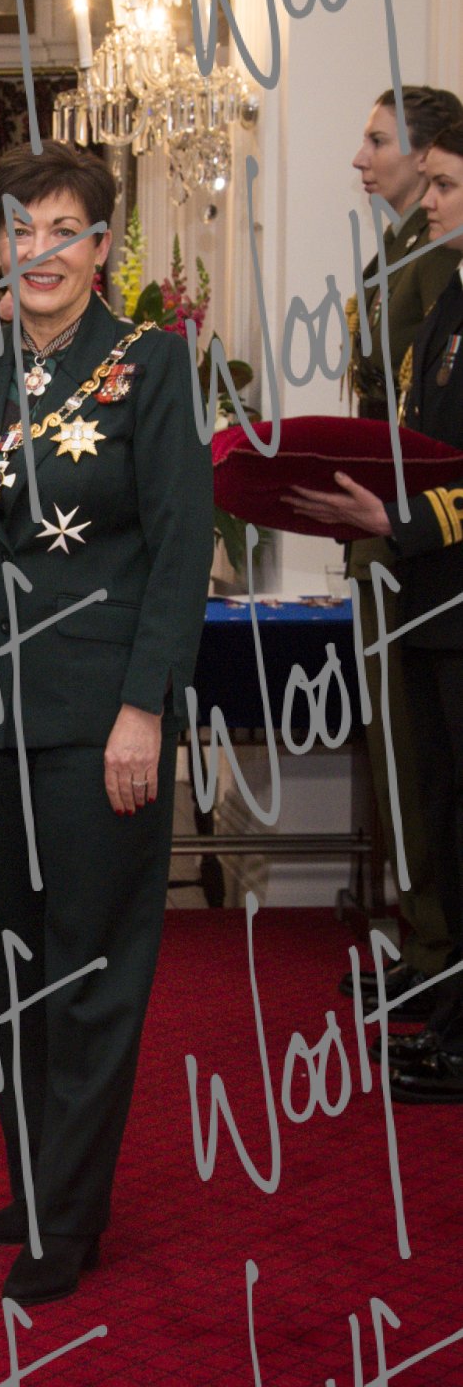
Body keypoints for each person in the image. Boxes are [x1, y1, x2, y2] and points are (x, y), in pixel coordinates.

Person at [0, 140, 213, 1303]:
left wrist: (143, 710)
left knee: (90, 968)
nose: (39, 251)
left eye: (63, 230)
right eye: (18, 230)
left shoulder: (150, 363)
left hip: (97, 720)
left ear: (101, 246)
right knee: (8, 965)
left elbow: (180, 547)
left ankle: (67, 1219)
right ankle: (39, 1183)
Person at [289, 120, 463, 1102]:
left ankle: (443, 981)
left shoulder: (437, 276)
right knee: (424, 784)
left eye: (442, 182)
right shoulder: (437, 282)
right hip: (415, 559)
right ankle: (440, 981)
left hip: (434, 557)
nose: (426, 200)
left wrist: (399, 519)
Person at [342, 86, 463, 1021]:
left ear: (426, 159)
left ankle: (436, 950)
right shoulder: (400, 250)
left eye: (378, 141)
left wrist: (397, 515)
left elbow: (423, 417)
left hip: (422, 534)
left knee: (423, 764)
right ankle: (426, 943)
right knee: (400, 756)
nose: (361, 157)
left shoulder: (435, 261)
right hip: (389, 528)